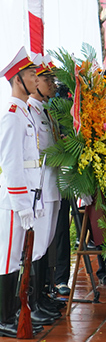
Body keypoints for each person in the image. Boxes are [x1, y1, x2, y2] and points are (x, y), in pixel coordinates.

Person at [0, 47, 41, 337]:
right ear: (17, 80)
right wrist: (22, 203)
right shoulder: (12, 115)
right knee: (7, 258)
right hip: (13, 201)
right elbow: (11, 163)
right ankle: (4, 317)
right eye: (30, 75)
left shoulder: (24, 113)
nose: (36, 80)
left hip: (26, 198)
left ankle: (14, 312)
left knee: (17, 259)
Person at [27, 55, 63, 323]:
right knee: (36, 248)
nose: (52, 83)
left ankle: (40, 297)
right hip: (38, 190)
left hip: (52, 188)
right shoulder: (28, 111)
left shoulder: (46, 109)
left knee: (45, 244)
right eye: (47, 79)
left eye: (52, 78)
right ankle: (30, 303)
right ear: (34, 81)